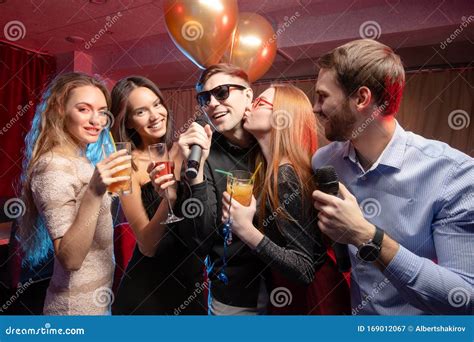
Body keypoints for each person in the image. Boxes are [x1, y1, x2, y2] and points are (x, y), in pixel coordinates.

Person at [311, 38, 474, 314]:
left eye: (322, 96)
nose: (315, 107)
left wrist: (366, 236)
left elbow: (463, 299)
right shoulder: (325, 161)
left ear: (361, 99)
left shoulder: (453, 174)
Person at [18, 72, 130, 315]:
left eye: (102, 111)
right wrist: (94, 191)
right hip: (74, 311)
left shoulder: (80, 159)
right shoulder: (52, 165)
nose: (97, 120)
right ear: (60, 109)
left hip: (97, 303)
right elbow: (71, 259)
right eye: (83, 109)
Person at [220, 84, 327, 314]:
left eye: (259, 103)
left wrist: (246, 230)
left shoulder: (286, 176)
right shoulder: (271, 169)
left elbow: (304, 268)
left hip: (303, 305)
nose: (249, 107)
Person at [175, 63, 271, 315]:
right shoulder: (205, 154)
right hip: (233, 298)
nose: (213, 104)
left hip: (285, 289)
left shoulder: (270, 140)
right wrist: (193, 176)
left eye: (222, 92)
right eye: (204, 98)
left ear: (248, 95)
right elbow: (200, 241)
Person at [110, 76, 206, 315]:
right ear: (129, 122)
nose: (155, 115)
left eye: (157, 104)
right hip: (147, 292)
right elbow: (147, 245)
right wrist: (168, 199)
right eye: (141, 111)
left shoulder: (186, 150)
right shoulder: (125, 166)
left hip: (191, 281)